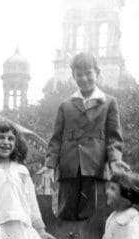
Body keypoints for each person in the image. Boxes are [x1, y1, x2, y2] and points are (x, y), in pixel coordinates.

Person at [39, 52, 125, 221]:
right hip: (69, 170)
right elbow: (56, 139)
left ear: (97, 73)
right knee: (66, 215)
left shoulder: (109, 102)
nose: (84, 79)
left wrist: (115, 160)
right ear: (73, 76)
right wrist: (50, 164)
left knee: (93, 218)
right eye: (79, 75)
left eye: (88, 73)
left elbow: (114, 137)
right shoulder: (65, 105)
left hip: (96, 169)